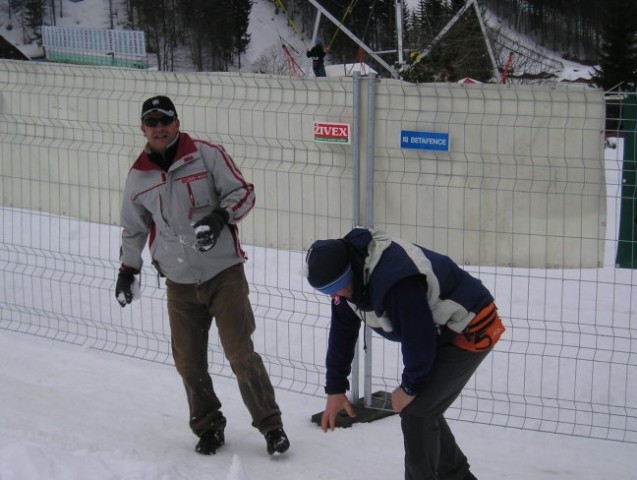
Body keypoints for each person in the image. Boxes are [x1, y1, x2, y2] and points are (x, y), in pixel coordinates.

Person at [115, 95, 290, 456]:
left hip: (223, 273)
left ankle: (272, 426)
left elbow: (243, 193)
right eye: (152, 122)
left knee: (241, 353)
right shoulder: (139, 175)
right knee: (188, 361)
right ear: (143, 129)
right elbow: (133, 228)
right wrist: (127, 269)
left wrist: (220, 217)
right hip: (178, 283)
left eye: (166, 121)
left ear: (177, 123)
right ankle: (209, 426)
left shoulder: (206, 155)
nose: (159, 128)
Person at [305, 227, 505, 479]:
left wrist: (410, 387)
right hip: (438, 330)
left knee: (417, 411)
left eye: (336, 287)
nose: (334, 295)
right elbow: (342, 333)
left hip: (471, 325)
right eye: (326, 291)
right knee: (422, 409)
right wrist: (335, 388)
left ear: (351, 270)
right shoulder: (348, 288)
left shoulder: (396, 281)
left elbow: (418, 338)